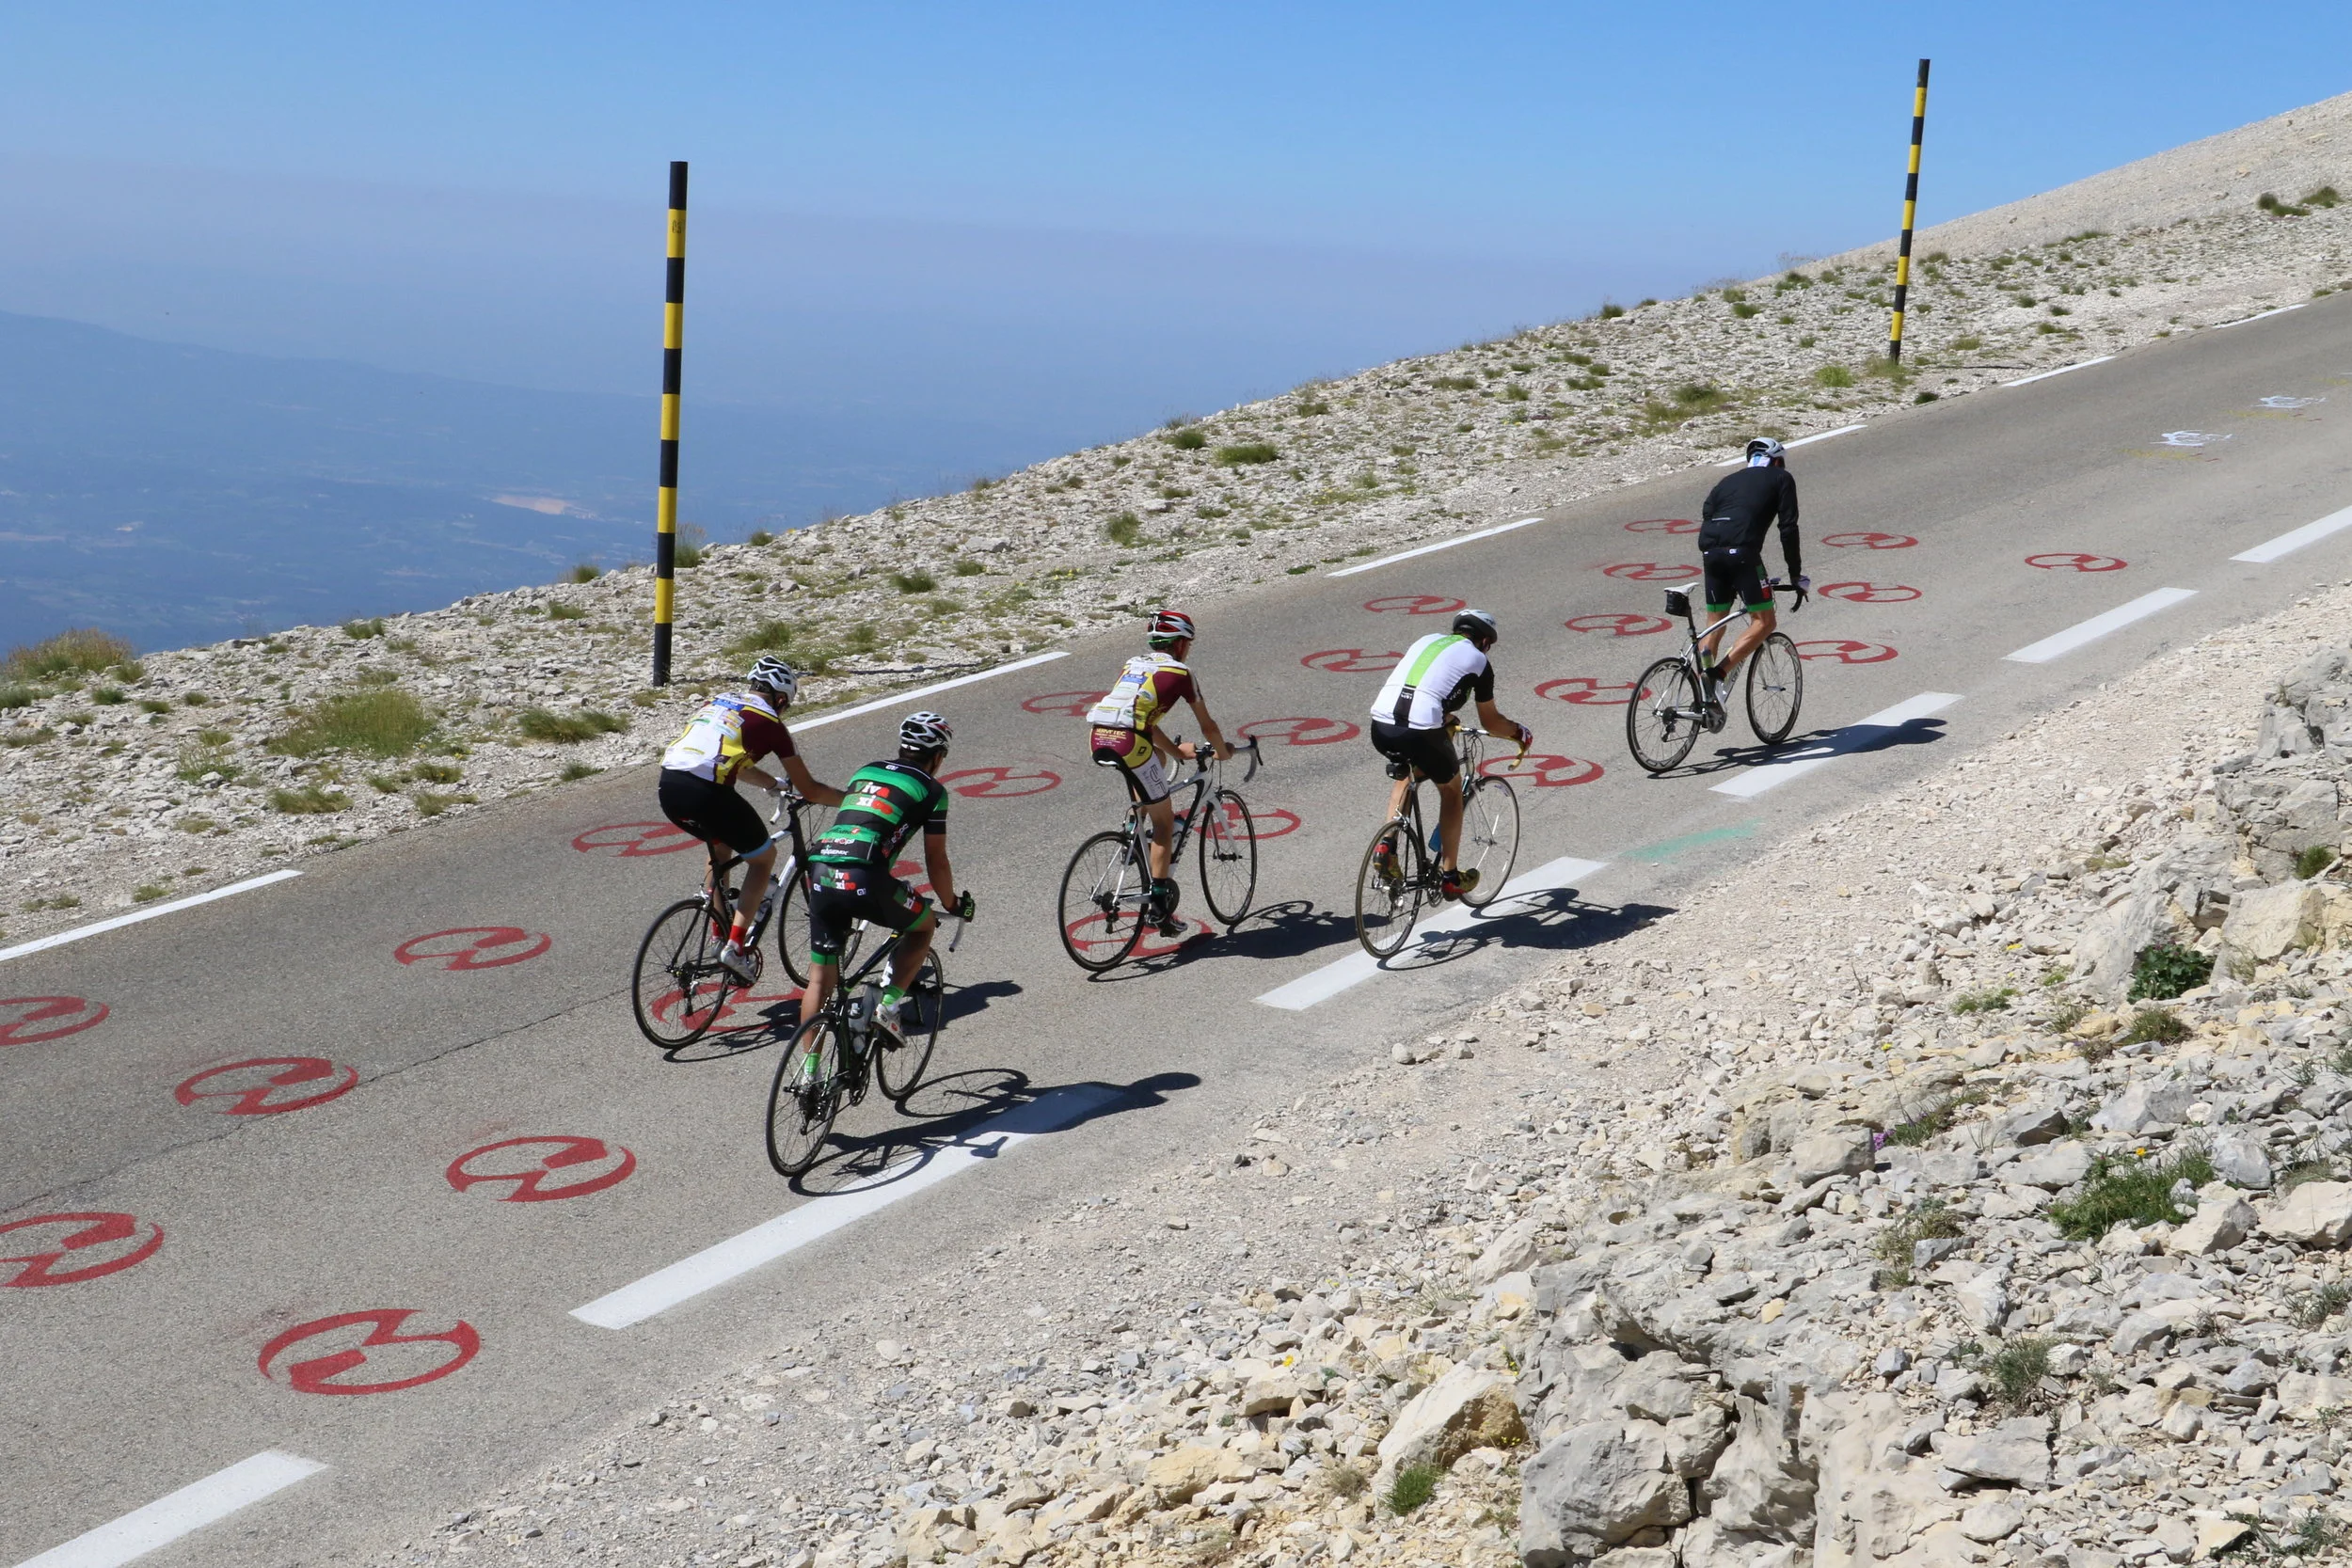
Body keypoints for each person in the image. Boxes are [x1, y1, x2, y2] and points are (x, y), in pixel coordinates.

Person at [659, 656, 845, 984]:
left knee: (721, 850)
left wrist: (774, 784)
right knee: (763, 859)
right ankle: (734, 947)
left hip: (669, 786)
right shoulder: (772, 724)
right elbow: (811, 790)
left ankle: (718, 933)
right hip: (706, 792)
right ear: (781, 699)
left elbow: (737, 763)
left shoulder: (716, 703)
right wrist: (852, 801)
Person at [801, 710, 972, 1037]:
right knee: (922, 927)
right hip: (865, 875)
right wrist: (952, 904)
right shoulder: (933, 791)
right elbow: (935, 860)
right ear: (937, 757)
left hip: (821, 866)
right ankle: (888, 1007)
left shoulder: (867, 770)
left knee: (819, 981)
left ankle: (809, 1075)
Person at [1085, 609, 1232, 936]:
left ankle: (1135, 825)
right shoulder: (1181, 672)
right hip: (1129, 740)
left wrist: (1177, 752)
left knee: (1158, 764)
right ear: (1180, 644)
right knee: (1165, 822)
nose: (1188, 650)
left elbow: (1143, 723)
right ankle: (1160, 911)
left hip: (1099, 735)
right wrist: (1224, 752)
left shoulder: (1132, 664)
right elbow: (1208, 725)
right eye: (1188, 644)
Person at [1367, 610, 1531, 901]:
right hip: (1420, 729)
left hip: (1381, 725)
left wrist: (1443, 717)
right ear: (1484, 641)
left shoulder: (1427, 640)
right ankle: (1450, 877)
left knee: (1409, 773)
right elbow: (1490, 722)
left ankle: (1386, 847)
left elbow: (1420, 689)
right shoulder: (1480, 662)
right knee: (1452, 791)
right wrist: (1519, 733)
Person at [1695, 436, 1810, 706]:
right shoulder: (1781, 478)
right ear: (1777, 461)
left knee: (1715, 623)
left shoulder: (1725, 482)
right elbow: (1788, 528)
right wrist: (1795, 574)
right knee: (1765, 622)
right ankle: (1718, 673)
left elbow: (1708, 514)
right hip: (1743, 553)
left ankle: (1703, 687)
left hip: (1711, 552)